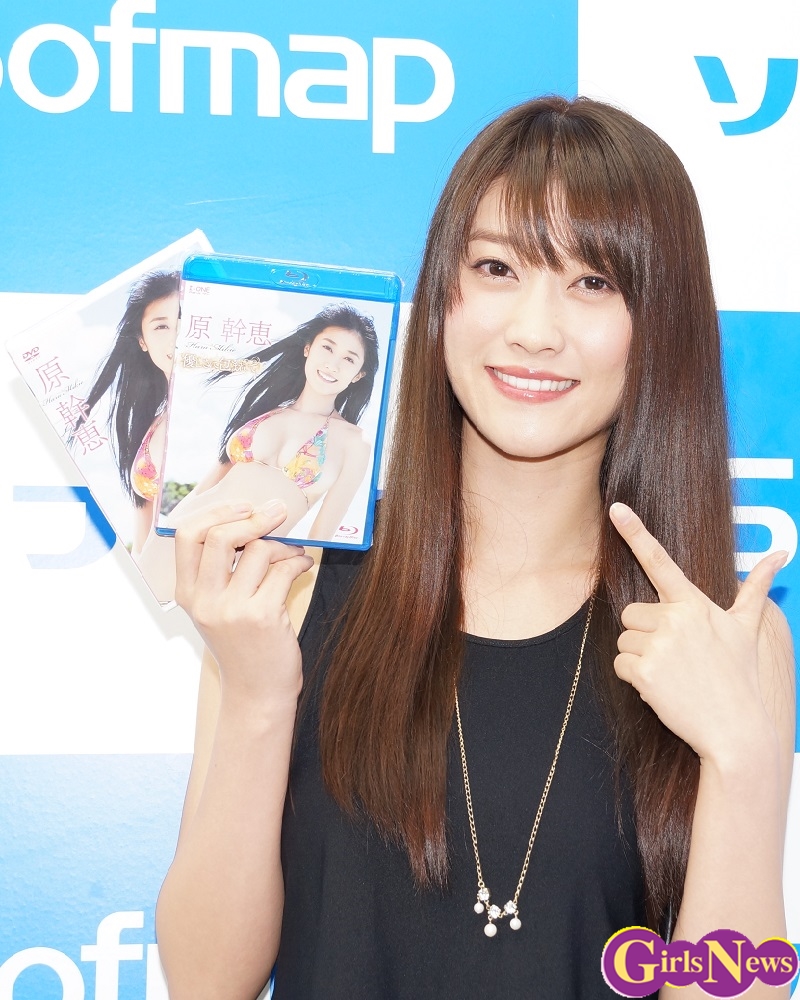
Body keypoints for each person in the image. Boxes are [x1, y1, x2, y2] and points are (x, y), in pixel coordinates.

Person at [155, 96, 795, 999]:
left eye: (594, 282)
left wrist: (744, 763)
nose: (534, 328)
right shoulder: (286, 582)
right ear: (442, 297)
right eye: (496, 267)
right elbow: (205, 980)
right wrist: (261, 696)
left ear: (660, 321)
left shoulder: (727, 639)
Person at [165, 303, 379, 544]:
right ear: (308, 348)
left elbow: (320, 539)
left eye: (349, 359)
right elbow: (203, 489)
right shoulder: (265, 412)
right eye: (327, 347)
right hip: (178, 533)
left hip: (245, 558)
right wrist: (163, 531)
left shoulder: (354, 441)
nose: (333, 364)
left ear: (358, 374)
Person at [77, 270, 180, 555]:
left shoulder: (228, 414)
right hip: (156, 577)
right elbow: (142, 541)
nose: (177, 336)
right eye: (162, 326)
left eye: (187, 321)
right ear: (142, 340)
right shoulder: (151, 423)